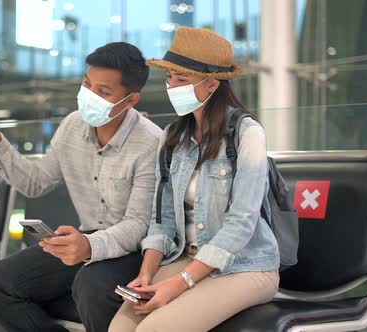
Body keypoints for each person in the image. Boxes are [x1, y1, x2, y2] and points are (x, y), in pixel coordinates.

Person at [0, 42, 162, 332]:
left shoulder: (150, 143)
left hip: (131, 251)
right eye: (87, 84)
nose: (90, 96)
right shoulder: (73, 125)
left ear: (130, 100)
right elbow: (36, 182)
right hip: (87, 239)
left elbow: (138, 225)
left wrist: (89, 247)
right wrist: (0, 144)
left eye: (104, 92)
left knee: (90, 285)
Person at [109, 27, 280, 332]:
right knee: (120, 328)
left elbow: (242, 222)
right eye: (170, 78)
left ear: (212, 84)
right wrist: (147, 274)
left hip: (245, 267)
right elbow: (160, 221)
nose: (171, 86)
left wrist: (179, 284)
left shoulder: (246, 134)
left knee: (154, 329)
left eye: (182, 79)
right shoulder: (172, 138)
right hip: (186, 259)